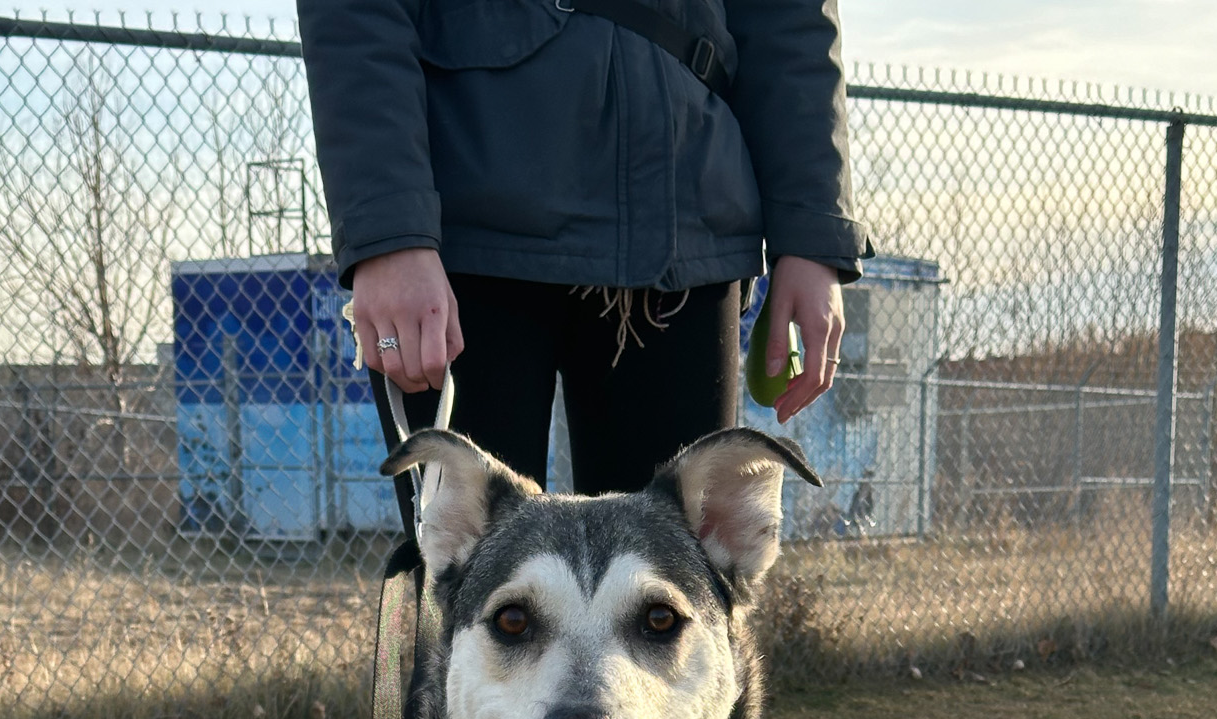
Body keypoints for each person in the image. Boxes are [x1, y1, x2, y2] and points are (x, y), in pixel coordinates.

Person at [297, 0, 871, 501]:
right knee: (462, 600)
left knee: (673, 597)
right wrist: (392, 236)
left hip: (684, 232)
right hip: (461, 243)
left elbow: (789, 14)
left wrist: (812, 236)